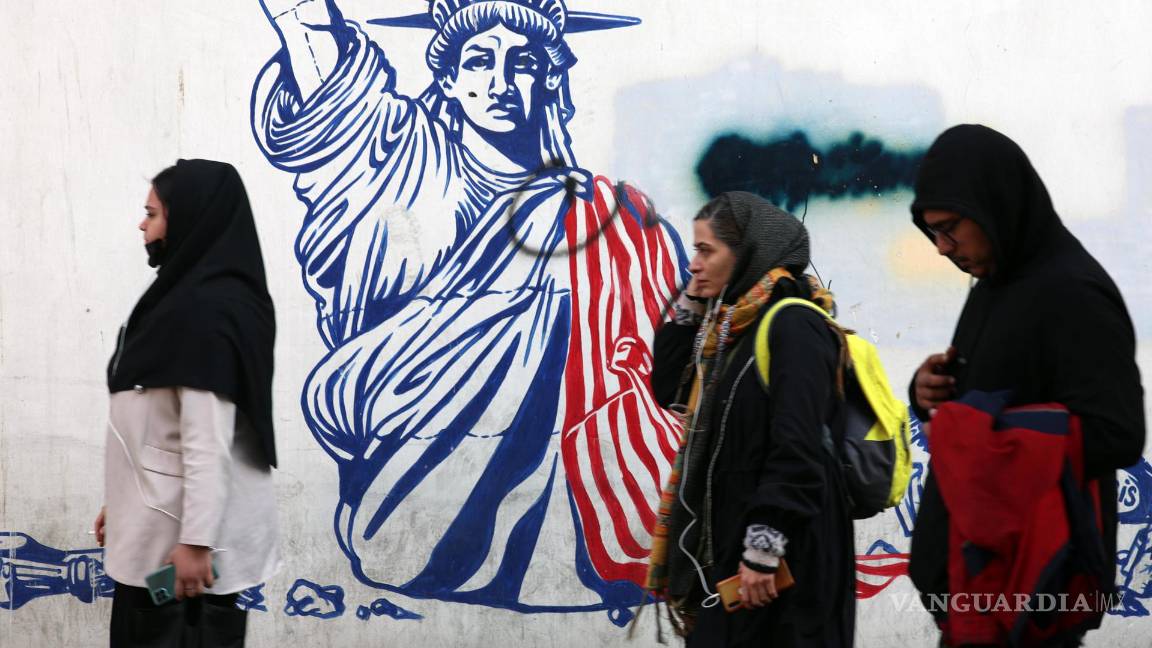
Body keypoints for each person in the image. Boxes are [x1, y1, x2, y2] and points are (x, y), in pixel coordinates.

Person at [251, 0, 686, 616]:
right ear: (449, 78)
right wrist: (303, 19)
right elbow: (327, 71)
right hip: (397, 431)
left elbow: (663, 353)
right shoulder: (394, 164)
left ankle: (577, 543)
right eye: (479, 61)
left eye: (524, 63)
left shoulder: (605, 214)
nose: (502, 83)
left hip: (581, 467)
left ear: (551, 78)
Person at [907, 124, 1146, 646]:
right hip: (979, 590)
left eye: (951, 228)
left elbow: (1118, 431)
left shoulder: (1073, 292)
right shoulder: (998, 280)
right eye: (933, 233)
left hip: (1033, 595)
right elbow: (996, 391)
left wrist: (988, 434)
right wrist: (929, 390)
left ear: (996, 204)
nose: (943, 248)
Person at [649, 192, 855, 647]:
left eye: (706, 251)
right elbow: (668, 387)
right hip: (733, 554)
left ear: (747, 255)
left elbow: (798, 443)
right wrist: (692, 301)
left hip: (784, 562)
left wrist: (764, 547)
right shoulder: (730, 331)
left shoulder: (794, 325)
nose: (694, 264)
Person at [95, 159, 280, 646]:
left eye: (152, 213)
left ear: (190, 219)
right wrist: (122, 501)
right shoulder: (185, 301)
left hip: (182, 549)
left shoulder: (206, 314)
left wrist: (197, 543)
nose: (142, 223)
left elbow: (206, 440)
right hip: (163, 529)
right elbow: (161, 426)